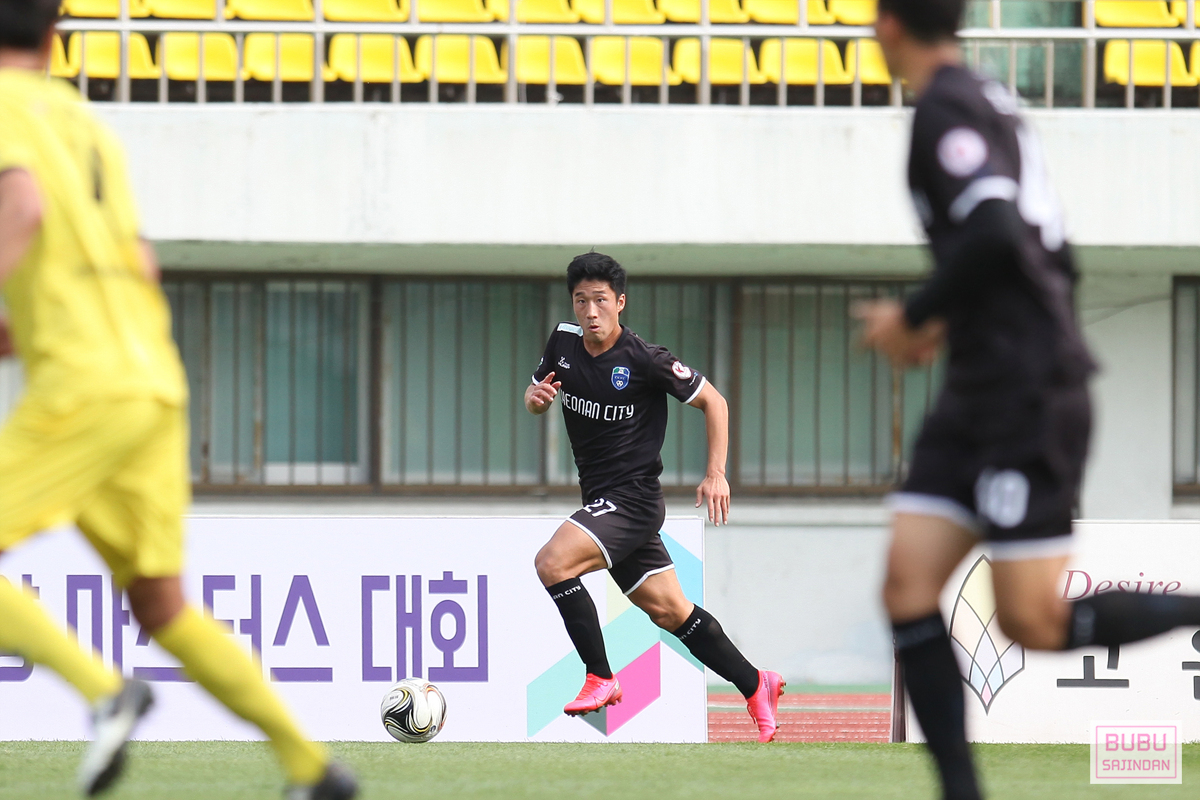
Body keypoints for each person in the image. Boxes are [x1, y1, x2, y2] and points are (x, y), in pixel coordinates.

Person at [0, 2, 355, 796]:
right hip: (152, 378)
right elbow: (140, 260)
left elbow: (20, 208)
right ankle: (311, 766)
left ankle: (104, 692)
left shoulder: (5, 111)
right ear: (55, 34)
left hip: (84, 383)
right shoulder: (86, 124)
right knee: (163, 606)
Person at [858, 1, 1200, 797]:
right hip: (980, 386)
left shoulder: (948, 106)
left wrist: (916, 314)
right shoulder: (987, 98)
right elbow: (1048, 255)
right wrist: (958, 318)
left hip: (1025, 394)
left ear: (888, 25)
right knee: (907, 586)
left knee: (1031, 622)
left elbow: (998, 230)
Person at [526, 252, 785, 741]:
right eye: (581, 301)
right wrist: (534, 401)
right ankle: (756, 683)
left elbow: (715, 402)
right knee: (670, 611)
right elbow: (537, 393)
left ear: (620, 302)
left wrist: (716, 474)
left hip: (633, 500)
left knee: (552, 563)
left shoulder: (645, 359)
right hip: (604, 502)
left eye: (601, 300)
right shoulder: (562, 342)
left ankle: (601, 677)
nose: (590, 311)